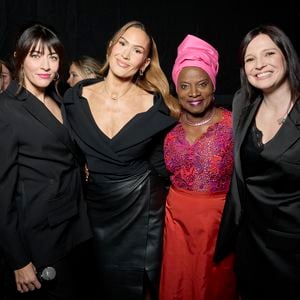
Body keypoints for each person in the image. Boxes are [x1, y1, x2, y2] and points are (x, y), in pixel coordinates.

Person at [64, 20, 180, 300]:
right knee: (91, 287)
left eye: (137, 50)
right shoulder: (74, 99)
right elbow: (68, 155)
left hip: (139, 210)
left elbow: (162, 165)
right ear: (110, 47)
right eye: (123, 43)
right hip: (92, 210)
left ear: (145, 62)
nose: (126, 54)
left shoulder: (157, 107)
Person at [0, 23, 93, 300]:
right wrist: (18, 259)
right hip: (39, 236)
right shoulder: (6, 109)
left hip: (74, 225)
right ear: (19, 58)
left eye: (53, 57)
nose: (46, 65)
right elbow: (2, 194)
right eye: (36, 55)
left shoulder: (59, 97)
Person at [214, 25, 300, 299]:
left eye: (269, 54)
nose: (259, 65)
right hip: (250, 242)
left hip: (293, 249)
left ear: (286, 56)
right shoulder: (242, 103)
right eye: (250, 59)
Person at [159, 34, 238, 300]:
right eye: (185, 86)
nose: (193, 93)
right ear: (176, 89)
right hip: (176, 224)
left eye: (202, 84)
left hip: (218, 225)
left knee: (214, 286)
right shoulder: (165, 126)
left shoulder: (234, 124)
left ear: (213, 86)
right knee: (179, 285)